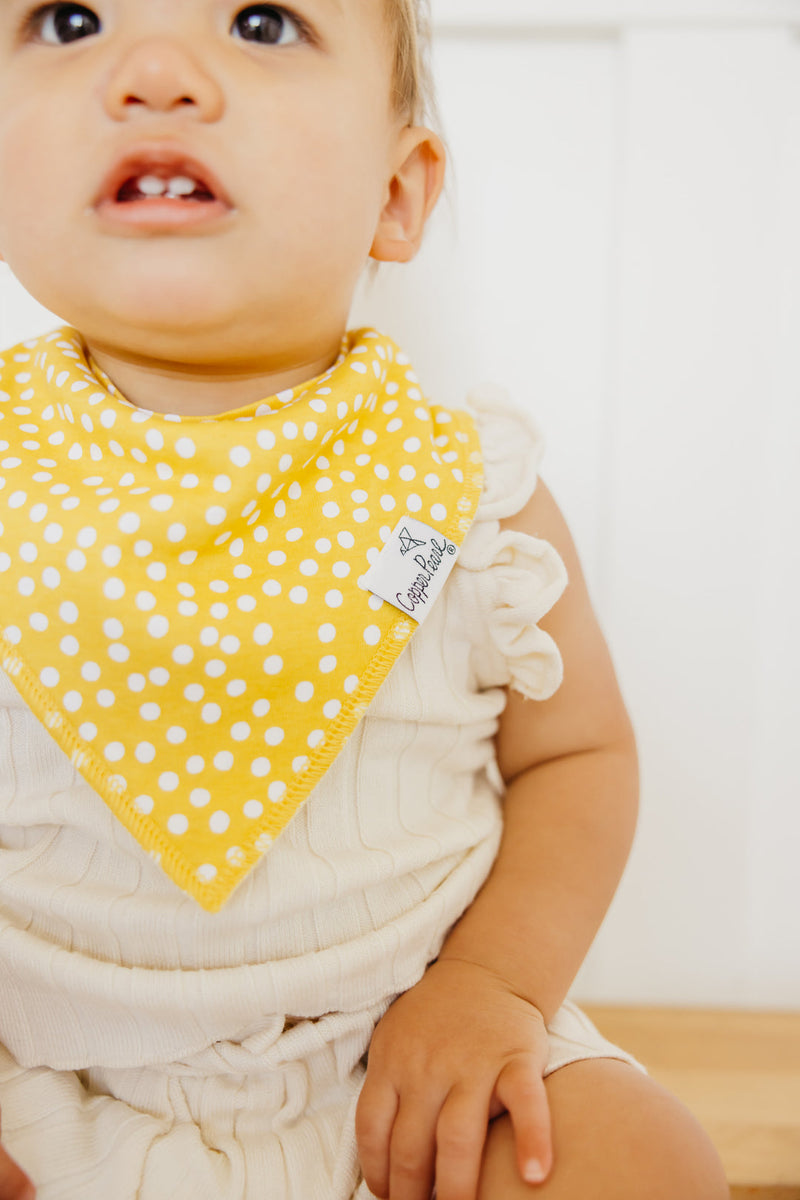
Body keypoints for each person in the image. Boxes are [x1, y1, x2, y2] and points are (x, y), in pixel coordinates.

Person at [0, 2, 730, 1198]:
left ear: (395, 196)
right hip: (40, 1084)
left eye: (262, 22)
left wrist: (492, 984)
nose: (154, 72)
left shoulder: (465, 495)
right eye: (71, 19)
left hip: (402, 1079)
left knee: (639, 1160)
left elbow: (578, 757)